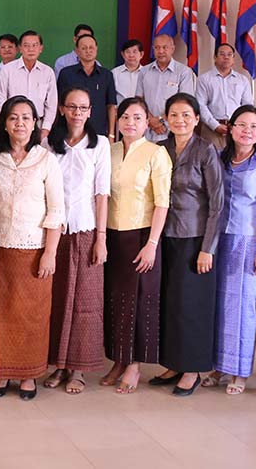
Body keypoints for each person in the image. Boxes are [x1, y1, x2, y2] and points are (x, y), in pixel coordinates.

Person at [0, 96, 65, 400]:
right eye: (14, 118)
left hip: (34, 251)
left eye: (26, 118)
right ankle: (1, 374)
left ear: (35, 123)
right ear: (4, 123)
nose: (20, 123)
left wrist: (50, 253)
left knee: (32, 315)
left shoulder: (46, 159)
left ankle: (28, 375)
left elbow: (56, 210)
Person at [148, 93, 224, 397]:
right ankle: (174, 363)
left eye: (186, 115)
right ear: (166, 118)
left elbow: (218, 204)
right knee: (171, 303)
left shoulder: (206, 151)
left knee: (193, 306)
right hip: (166, 236)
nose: (180, 120)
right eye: (174, 115)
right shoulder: (161, 149)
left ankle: (192, 368)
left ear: (196, 118)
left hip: (196, 239)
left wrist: (208, 248)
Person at [203, 105, 256, 395]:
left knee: (245, 306)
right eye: (242, 125)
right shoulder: (220, 159)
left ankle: (240, 371)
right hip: (220, 239)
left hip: (249, 241)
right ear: (230, 128)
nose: (247, 131)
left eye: (254, 127)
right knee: (222, 305)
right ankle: (220, 365)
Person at [43, 87, 110, 395]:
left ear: (90, 111)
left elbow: (101, 193)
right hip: (55, 232)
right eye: (72, 107)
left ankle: (79, 370)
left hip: (85, 229)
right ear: (62, 109)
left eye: (83, 108)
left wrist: (101, 238)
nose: (78, 113)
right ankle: (59, 365)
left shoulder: (100, 145)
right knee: (57, 300)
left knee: (85, 302)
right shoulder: (49, 144)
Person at [102, 97, 171, 394]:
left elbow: (163, 203)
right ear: (117, 121)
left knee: (140, 300)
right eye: (126, 116)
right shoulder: (109, 151)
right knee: (116, 299)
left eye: (138, 117)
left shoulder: (157, 153)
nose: (130, 122)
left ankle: (135, 365)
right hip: (113, 235)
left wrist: (152, 243)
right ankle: (119, 358)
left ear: (147, 122)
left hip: (142, 235)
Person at [0, 30, 58, 136]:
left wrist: (45, 129)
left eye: (35, 45)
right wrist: (8, 124)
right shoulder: (7, 70)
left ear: (41, 48)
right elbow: (0, 100)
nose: (31, 49)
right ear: (20, 48)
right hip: (13, 124)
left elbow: (51, 104)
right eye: (26, 45)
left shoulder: (47, 72)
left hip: (38, 124)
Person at [137, 34, 196, 142]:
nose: (161, 51)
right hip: (147, 129)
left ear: (172, 49)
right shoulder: (144, 71)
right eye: (157, 47)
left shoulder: (184, 72)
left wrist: (160, 120)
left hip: (172, 131)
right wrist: (151, 121)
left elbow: (185, 102)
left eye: (165, 47)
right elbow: (139, 99)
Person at [56, 34, 117, 139]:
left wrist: (111, 135)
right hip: (70, 132)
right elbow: (59, 104)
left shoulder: (106, 75)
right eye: (84, 48)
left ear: (96, 49)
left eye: (91, 47)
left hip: (99, 132)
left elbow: (111, 106)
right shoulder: (66, 73)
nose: (88, 51)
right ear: (77, 51)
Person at [195, 43, 253, 149]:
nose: (226, 57)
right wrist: (215, 126)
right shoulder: (204, 79)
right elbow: (200, 105)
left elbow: (247, 106)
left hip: (236, 129)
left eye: (229, 54)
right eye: (222, 54)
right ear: (215, 57)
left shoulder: (242, 80)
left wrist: (237, 125)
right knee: (211, 163)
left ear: (233, 59)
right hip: (211, 130)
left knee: (234, 162)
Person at [112, 39, 144, 106]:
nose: (131, 55)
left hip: (140, 112)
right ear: (123, 54)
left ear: (141, 54)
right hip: (119, 112)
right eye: (128, 52)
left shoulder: (146, 73)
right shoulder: (114, 73)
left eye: (134, 52)